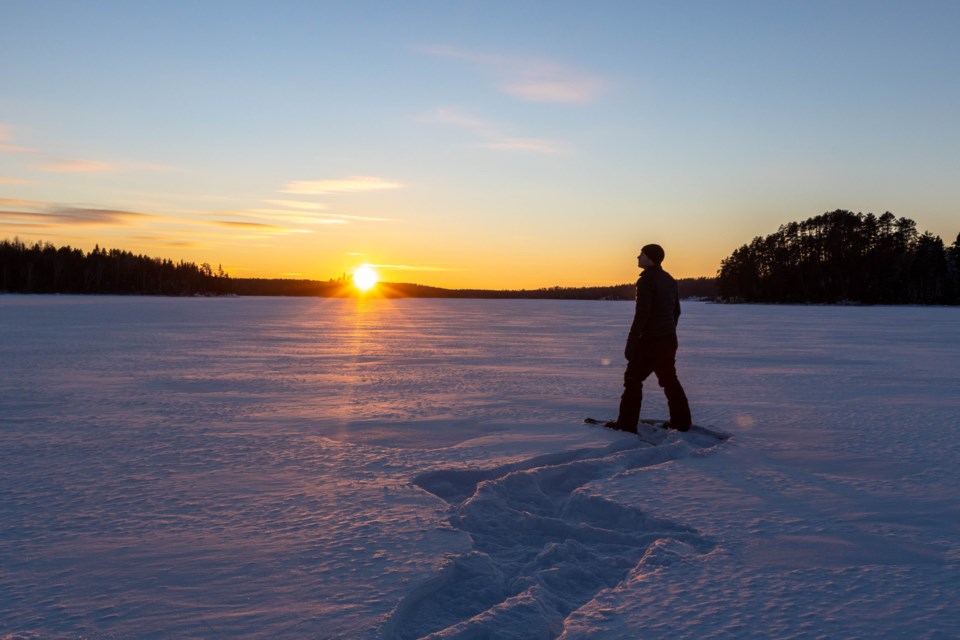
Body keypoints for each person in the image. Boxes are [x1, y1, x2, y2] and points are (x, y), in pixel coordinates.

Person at [608, 244, 692, 433]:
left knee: (632, 379)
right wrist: (668, 332)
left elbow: (642, 314)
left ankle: (626, 424)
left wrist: (632, 341)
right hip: (668, 340)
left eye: (641, 254)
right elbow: (676, 312)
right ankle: (682, 422)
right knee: (670, 380)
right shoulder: (669, 279)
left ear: (650, 258)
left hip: (650, 341)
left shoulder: (646, 281)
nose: (637, 257)